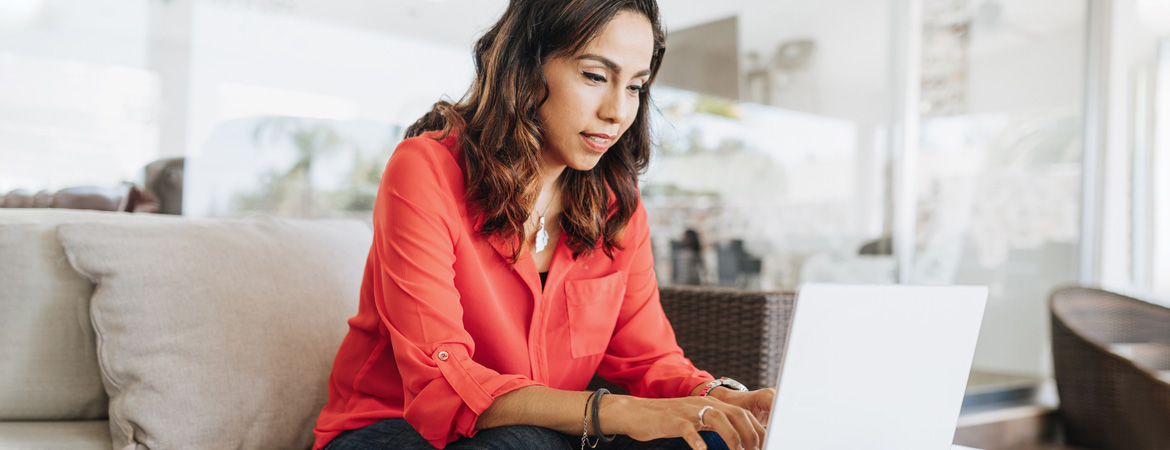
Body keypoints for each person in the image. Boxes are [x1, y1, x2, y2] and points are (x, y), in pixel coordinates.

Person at [312, 1, 774, 449]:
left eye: (635, 87)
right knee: (526, 441)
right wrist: (612, 412)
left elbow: (648, 358)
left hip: (553, 431)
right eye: (595, 76)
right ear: (526, 68)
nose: (617, 111)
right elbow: (441, 380)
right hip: (395, 429)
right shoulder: (425, 169)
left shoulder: (617, 208)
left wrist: (721, 401)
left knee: (710, 438)